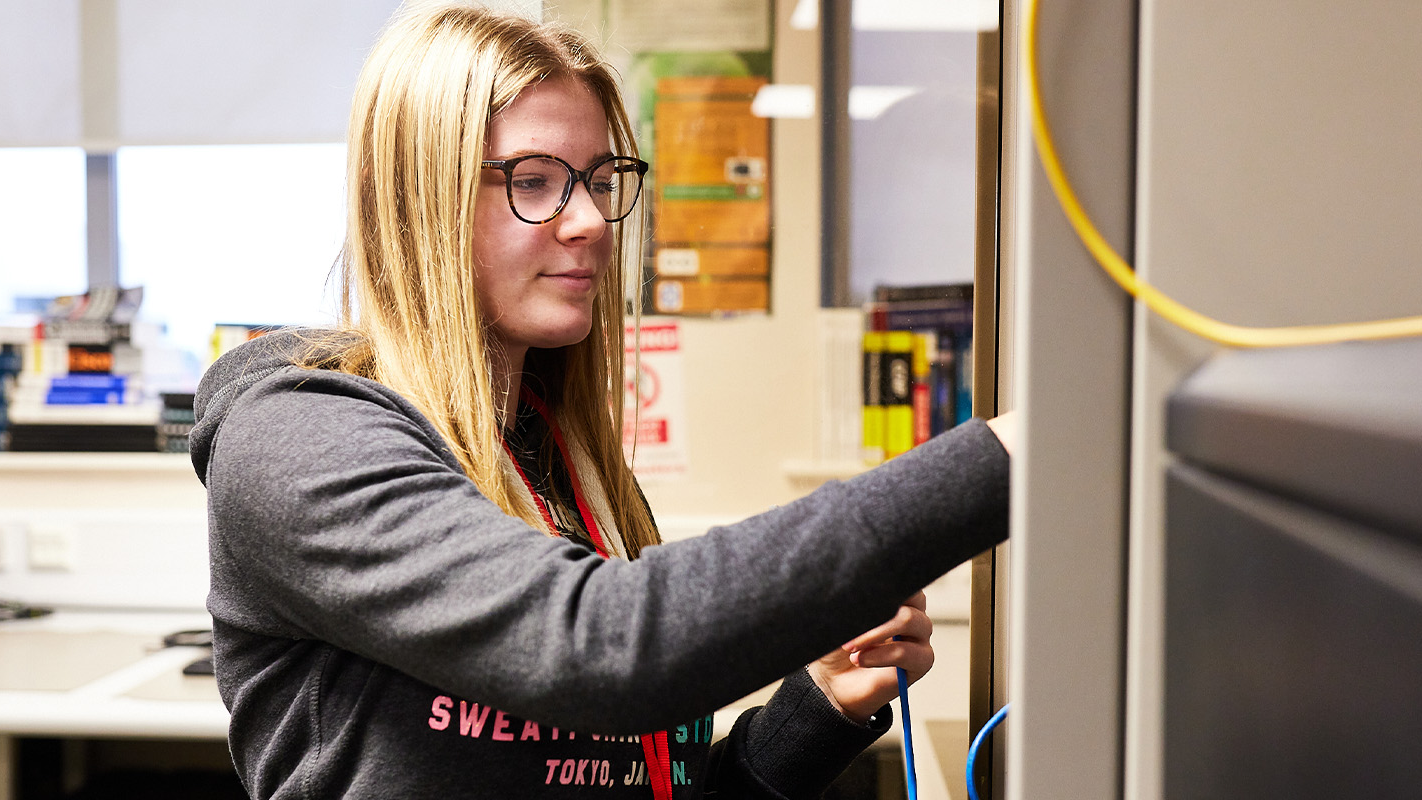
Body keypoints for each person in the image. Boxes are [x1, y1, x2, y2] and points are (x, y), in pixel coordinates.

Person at [189, 5, 1015, 798]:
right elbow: (601, 648)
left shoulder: (559, 465)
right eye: (535, 180)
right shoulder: (298, 434)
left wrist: (824, 701)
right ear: (416, 201)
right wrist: (1006, 458)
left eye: (598, 179)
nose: (589, 220)